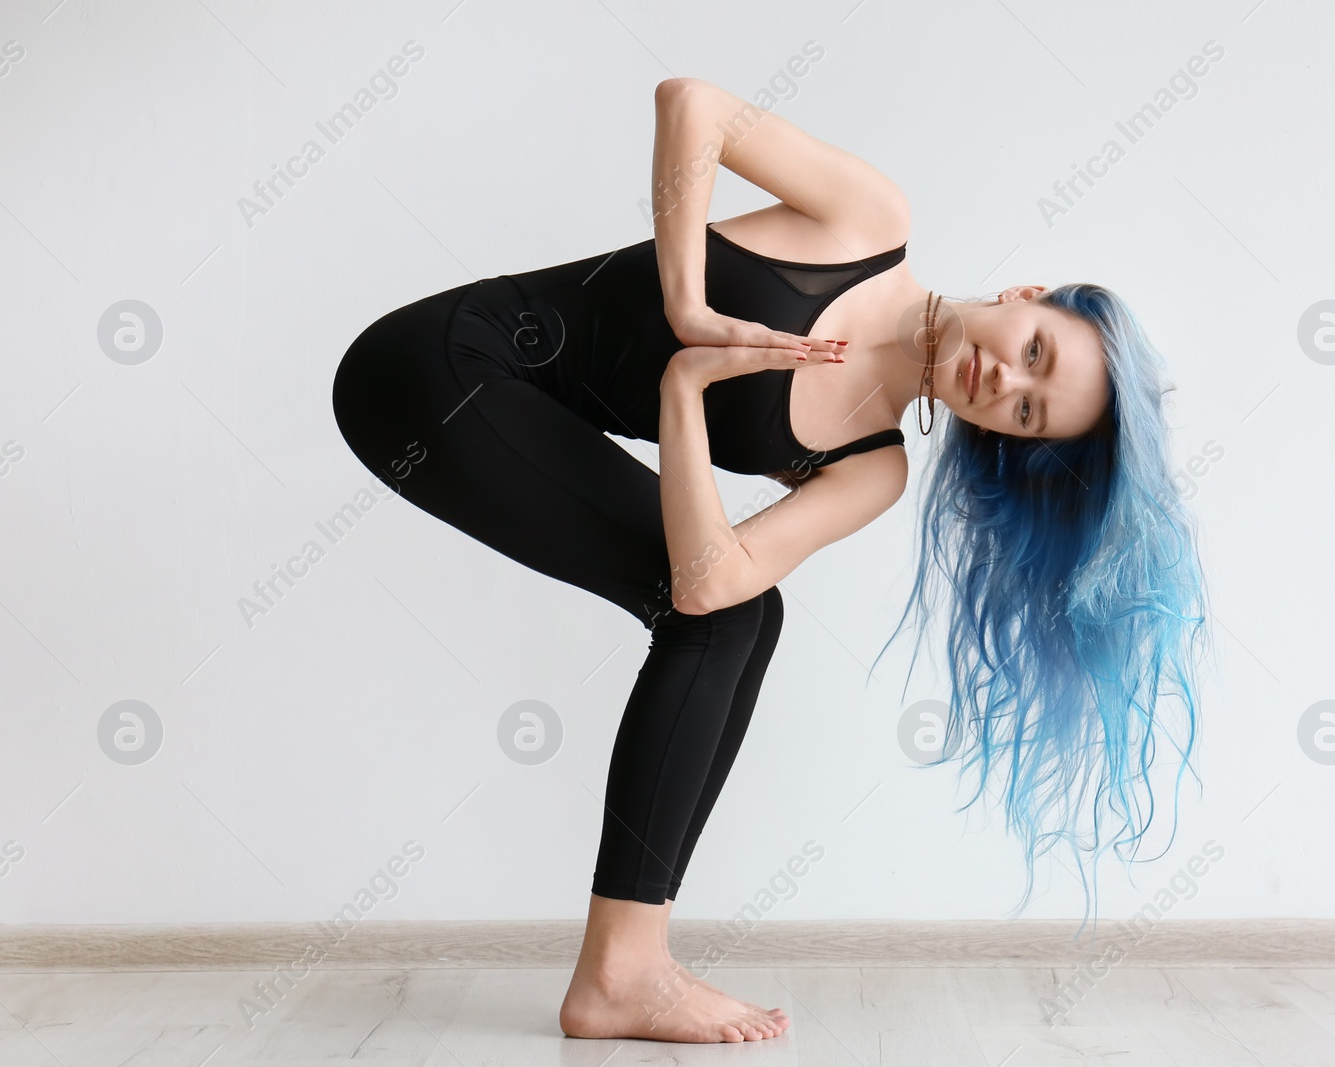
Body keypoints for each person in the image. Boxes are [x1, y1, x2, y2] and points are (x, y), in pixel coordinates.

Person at [330, 77, 1208, 1044]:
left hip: (489, 408)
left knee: (743, 613)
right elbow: (691, 103)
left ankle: (627, 963)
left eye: (1028, 409)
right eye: (1036, 351)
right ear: (1027, 294)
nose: (1005, 380)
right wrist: (689, 305)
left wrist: (683, 394)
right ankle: (623, 969)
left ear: (1015, 438)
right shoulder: (871, 222)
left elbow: (710, 580)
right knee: (726, 617)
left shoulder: (871, 469)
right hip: (432, 368)